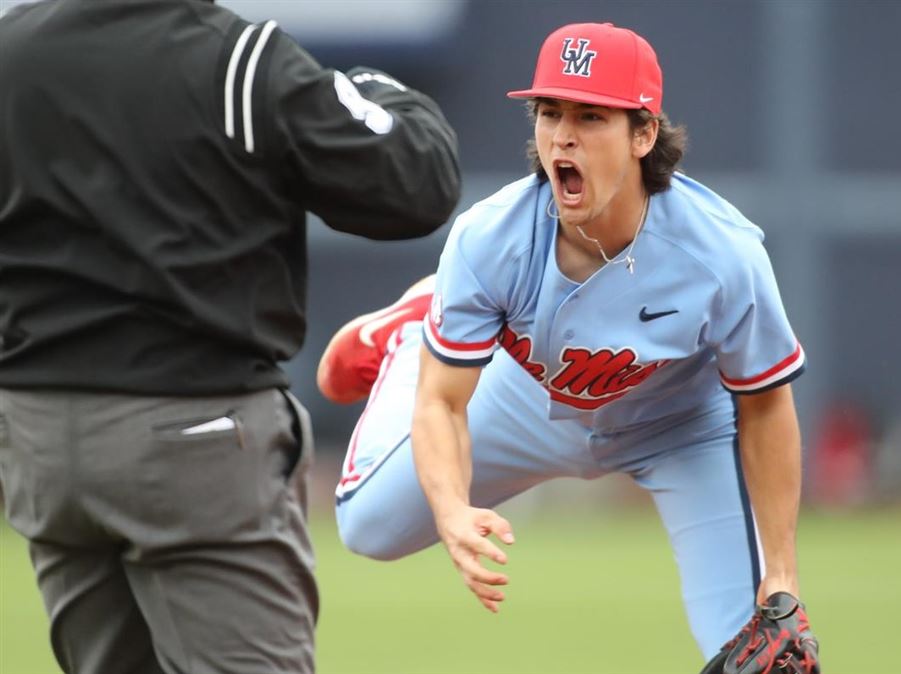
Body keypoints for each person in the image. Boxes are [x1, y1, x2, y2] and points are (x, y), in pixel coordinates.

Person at [321, 22, 819, 672]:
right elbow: (442, 406)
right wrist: (450, 509)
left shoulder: (723, 253)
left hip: (678, 426)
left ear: (643, 134)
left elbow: (765, 404)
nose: (563, 134)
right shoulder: (492, 236)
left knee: (762, 651)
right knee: (366, 527)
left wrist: (782, 573)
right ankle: (426, 328)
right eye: (549, 112)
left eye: (590, 115)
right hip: (518, 396)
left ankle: (445, 319)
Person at [0, 0, 460, 671]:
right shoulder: (240, 61)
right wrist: (377, 89)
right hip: (192, 429)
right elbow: (417, 181)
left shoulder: (13, 48)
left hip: (41, 437)